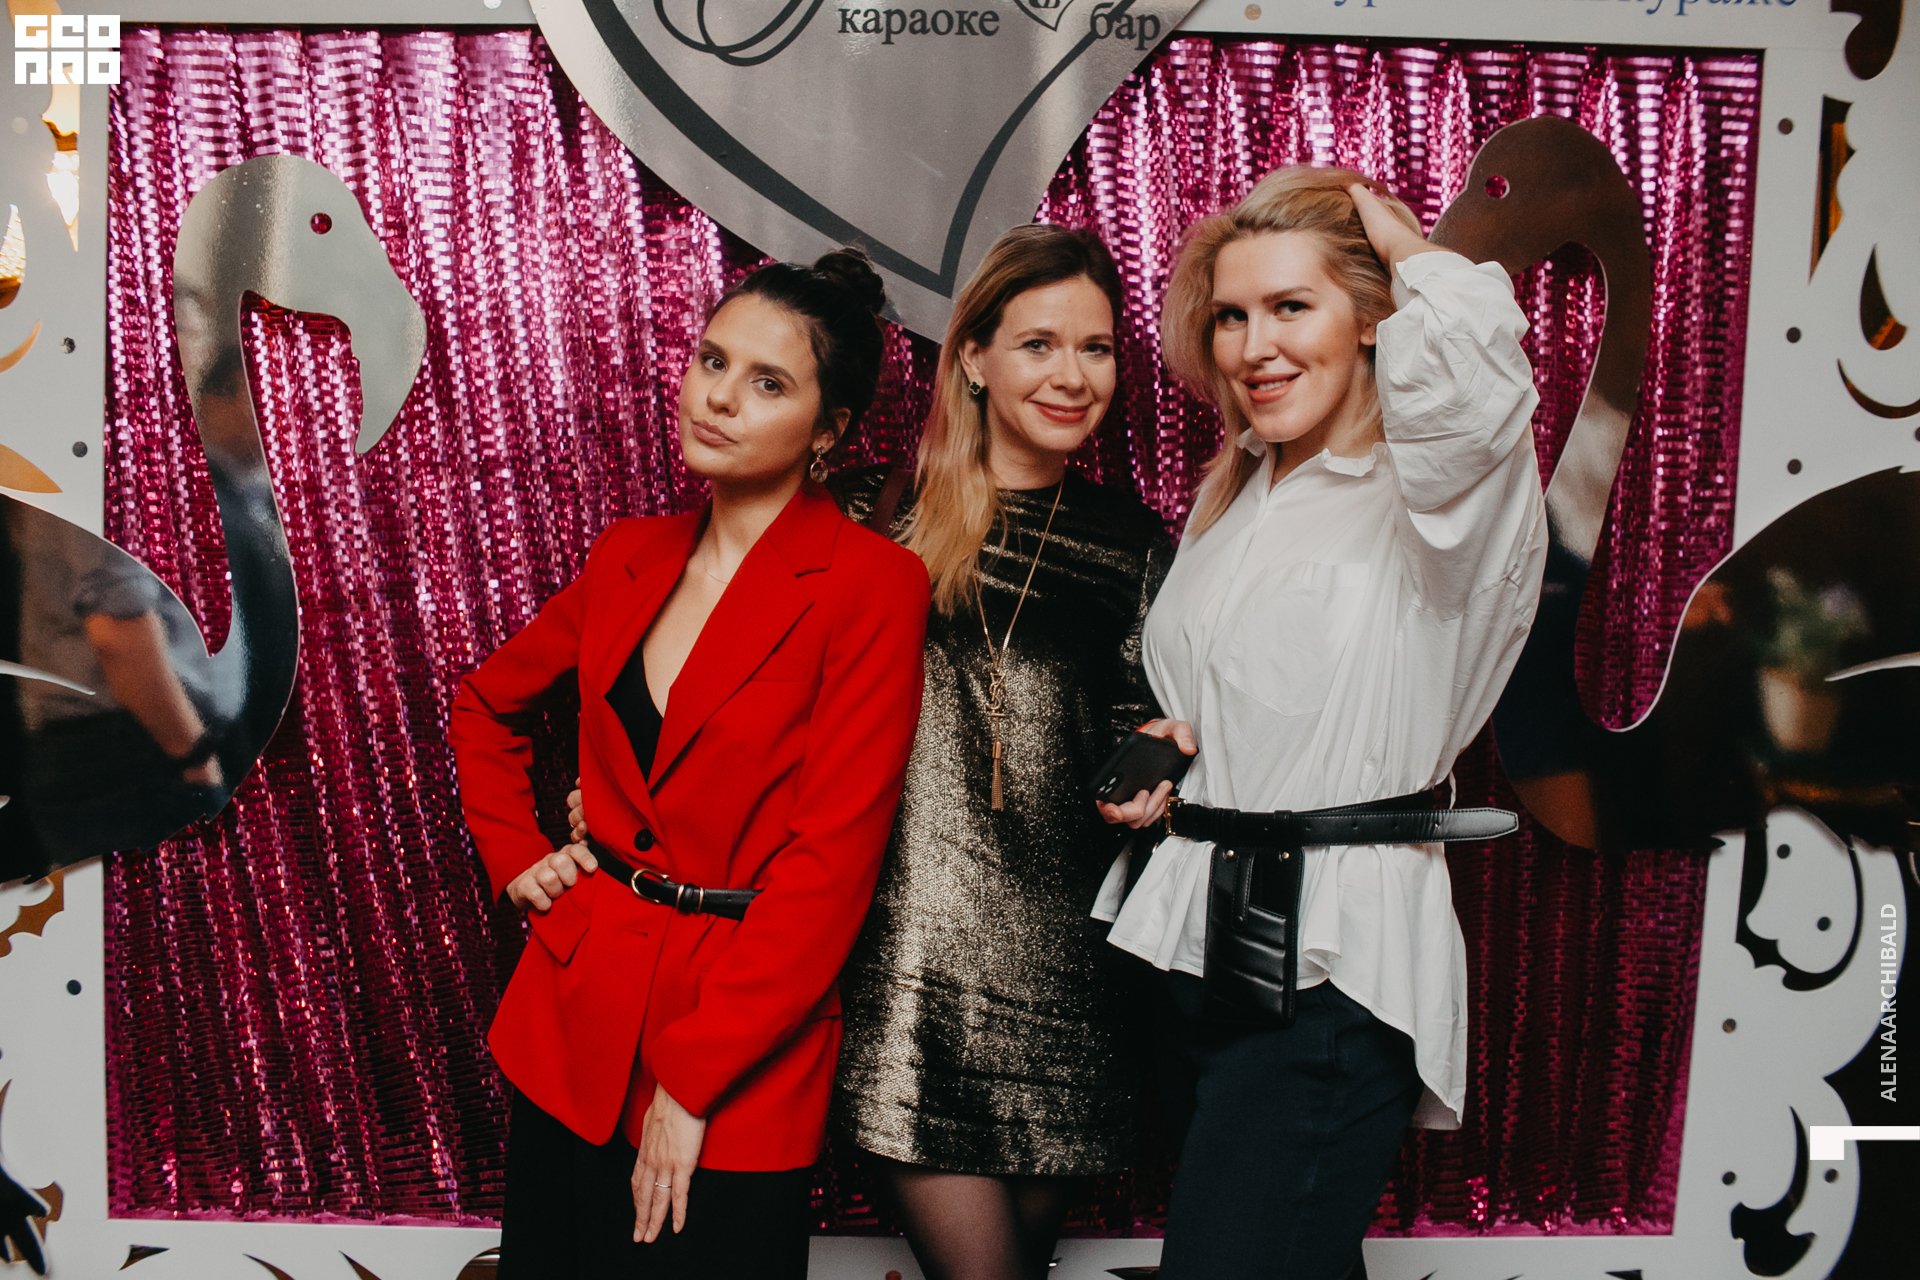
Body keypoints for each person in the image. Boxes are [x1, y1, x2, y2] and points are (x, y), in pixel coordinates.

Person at [1093, 169, 1547, 1278]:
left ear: (1375, 318)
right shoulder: (1239, 494)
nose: (1255, 346)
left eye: (1292, 306)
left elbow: (1479, 382)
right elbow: (1253, 695)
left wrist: (1402, 243)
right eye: (1232, 315)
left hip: (1330, 967)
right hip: (1200, 949)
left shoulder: (1440, 501)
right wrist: (1172, 751)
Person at [451, 249, 931, 1279]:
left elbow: (831, 866)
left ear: (831, 429)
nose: (719, 397)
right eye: (713, 361)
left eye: (769, 382)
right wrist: (518, 857)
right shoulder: (627, 553)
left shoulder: (872, 586)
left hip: (742, 1040)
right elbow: (484, 703)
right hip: (572, 1021)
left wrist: (691, 1079)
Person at [829, 224, 1173, 1280]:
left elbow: (1143, 721)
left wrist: (1153, 767)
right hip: (909, 974)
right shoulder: (866, 514)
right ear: (973, 357)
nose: (1073, 375)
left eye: (1096, 347)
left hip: (1069, 981)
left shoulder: (1133, 543)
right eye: (1039, 344)